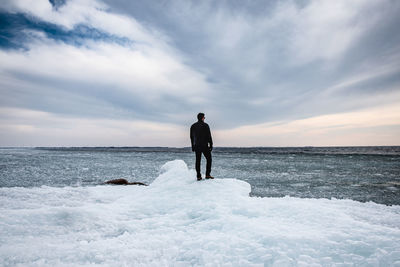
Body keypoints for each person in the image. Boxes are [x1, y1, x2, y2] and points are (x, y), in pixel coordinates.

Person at [190, 113, 214, 181]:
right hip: (204, 146)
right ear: (202, 118)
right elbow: (209, 136)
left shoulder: (193, 126)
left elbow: (191, 137)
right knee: (209, 159)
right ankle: (207, 174)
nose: (204, 118)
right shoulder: (206, 125)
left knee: (198, 161)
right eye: (204, 117)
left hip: (197, 146)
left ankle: (198, 176)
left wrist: (192, 146)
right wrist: (211, 144)